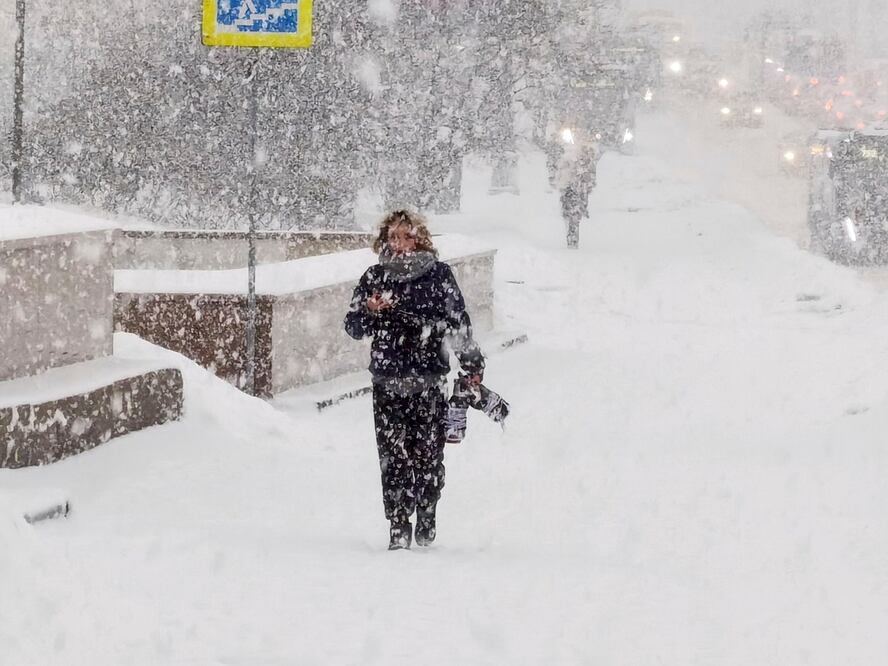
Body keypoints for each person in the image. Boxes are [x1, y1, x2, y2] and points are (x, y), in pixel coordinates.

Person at [344, 210, 485, 550]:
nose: (400, 244)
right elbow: (353, 327)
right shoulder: (374, 277)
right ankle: (397, 523)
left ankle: (426, 510)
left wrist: (472, 365)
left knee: (428, 455)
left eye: (407, 236)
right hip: (387, 382)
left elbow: (457, 324)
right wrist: (369, 311)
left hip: (429, 382)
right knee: (392, 458)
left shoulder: (439, 277)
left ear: (420, 238)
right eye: (394, 237)